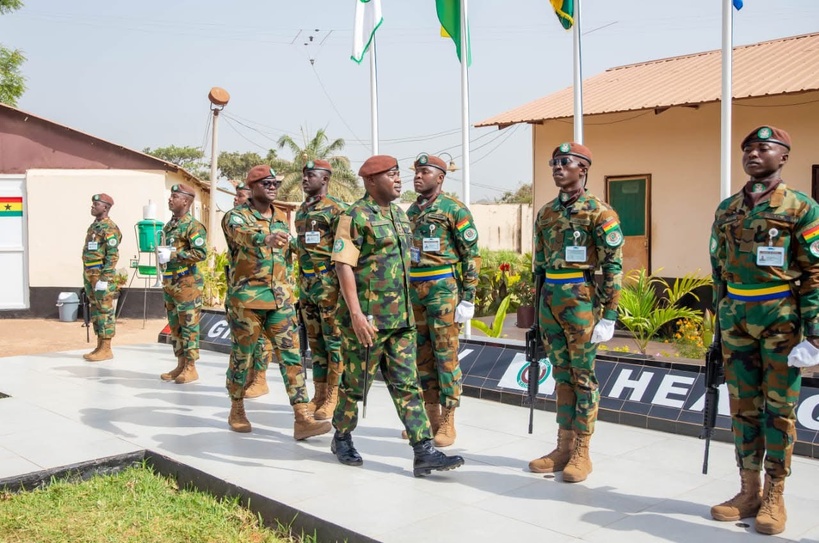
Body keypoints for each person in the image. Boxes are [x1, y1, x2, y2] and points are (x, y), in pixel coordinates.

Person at [709, 126, 819, 535]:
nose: (753, 154)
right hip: (736, 316)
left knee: (779, 410)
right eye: (748, 149)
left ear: (784, 156)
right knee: (743, 408)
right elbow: (717, 267)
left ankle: (775, 494)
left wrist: (815, 335)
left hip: (780, 319)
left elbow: (815, 272)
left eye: (763, 147)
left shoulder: (800, 208)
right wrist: (718, 323)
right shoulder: (727, 209)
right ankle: (748, 489)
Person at [330, 154, 464, 477]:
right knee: (354, 384)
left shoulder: (401, 217)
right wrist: (357, 315)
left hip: (401, 320)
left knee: (408, 384)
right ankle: (342, 436)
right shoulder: (355, 216)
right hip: (370, 322)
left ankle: (423, 450)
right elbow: (343, 264)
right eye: (391, 175)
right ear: (371, 181)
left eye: (397, 174)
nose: (399, 179)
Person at [528, 142, 623, 483]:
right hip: (550, 298)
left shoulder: (600, 212)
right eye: (554, 162)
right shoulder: (546, 212)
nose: (557, 167)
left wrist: (610, 314)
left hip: (581, 299)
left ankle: (582, 451)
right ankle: (562, 446)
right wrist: (538, 308)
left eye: (565, 162)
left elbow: (613, 266)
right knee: (561, 374)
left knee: (583, 377)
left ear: (582, 169)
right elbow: (538, 265)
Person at [222, 164, 331, 440]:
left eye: (276, 183)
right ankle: (236, 408)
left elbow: (292, 249)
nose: (273, 187)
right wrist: (265, 237)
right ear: (253, 186)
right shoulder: (236, 217)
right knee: (242, 358)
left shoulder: (281, 217)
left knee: (293, 359)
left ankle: (302, 418)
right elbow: (244, 237)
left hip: (281, 300)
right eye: (267, 183)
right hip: (247, 301)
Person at [405, 153, 480, 447]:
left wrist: (469, 297)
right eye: (416, 172)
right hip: (415, 289)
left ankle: (448, 420)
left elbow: (471, 254)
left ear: (440, 177)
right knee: (420, 356)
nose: (418, 176)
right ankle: (430, 417)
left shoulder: (454, 209)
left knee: (445, 355)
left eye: (425, 172)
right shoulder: (410, 211)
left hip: (443, 288)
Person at [295, 160, 348, 420]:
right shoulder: (301, 211)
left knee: (333, 342)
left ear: (325, 179)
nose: (305, 179)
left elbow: (345, 251)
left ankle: (333, 396)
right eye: (304, 175)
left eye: (311, 175)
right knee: (315, 342)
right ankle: (319, 392)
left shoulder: (336, 210)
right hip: (307, 285)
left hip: (329, 284)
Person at [222, 181, 272, 399]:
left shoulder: (270, 219)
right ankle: (249, 377)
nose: (236, 199)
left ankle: (259, 378)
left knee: (261, 338)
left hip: (264, 290)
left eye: (240, 195)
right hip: (241, 288)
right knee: (243, 339)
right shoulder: (235, 220)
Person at [157, 184, 208, 384]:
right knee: (175, 326)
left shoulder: (193, 226)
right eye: (171, 196)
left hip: (187, 282)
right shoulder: (168, 226)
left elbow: (200, 253)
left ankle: (191, 367)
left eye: (175, 196)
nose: (170, 199)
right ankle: (180, 363)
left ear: (186, 201)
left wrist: (174, 254)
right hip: (170, 281)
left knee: (189, 326)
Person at [81, 193, 122, 362]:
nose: (92, 206)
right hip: (90, 273)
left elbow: (112, 255)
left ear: (105, 208)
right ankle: (99, 346)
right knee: (96, 310)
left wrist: (104, 279)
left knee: (104, 310)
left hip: (100, 274)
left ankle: (106, 348)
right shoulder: (94, 226)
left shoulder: (110, 228)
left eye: (96, 204)